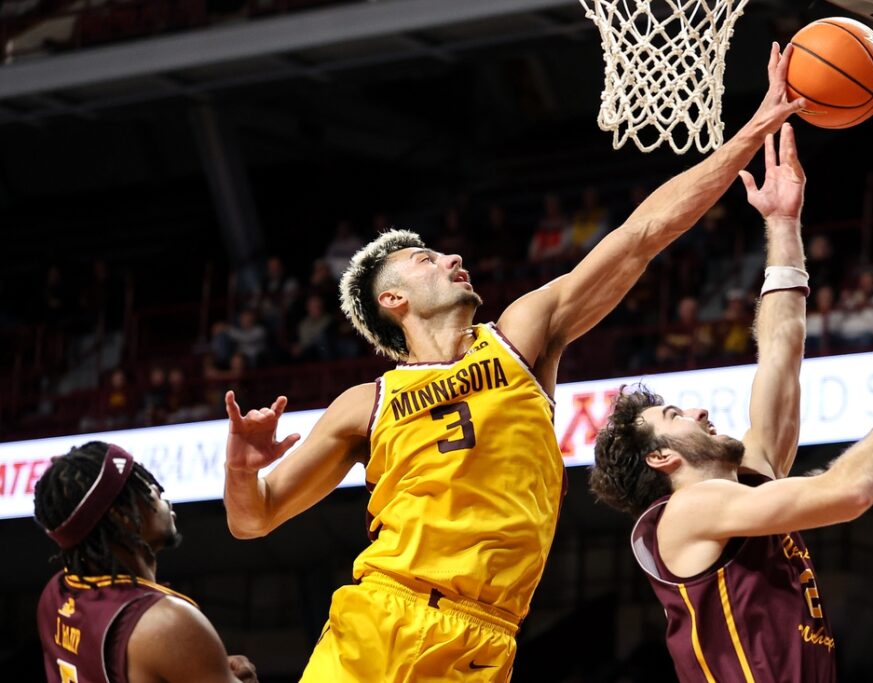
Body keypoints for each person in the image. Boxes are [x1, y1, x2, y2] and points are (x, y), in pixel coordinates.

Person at [222, 43, 806, 681]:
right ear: (393, 301)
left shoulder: (519, 338)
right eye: (426, 260)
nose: (450, 260)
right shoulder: (366, 404)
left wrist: (752, 132)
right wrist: (241, 466)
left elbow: (642, 236)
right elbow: (254, 520)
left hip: (487, 636)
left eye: (444, 254)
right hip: (384, 615)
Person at [589, 125, 873, 681]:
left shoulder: (749, 481)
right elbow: (848, 492)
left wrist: (783, 224)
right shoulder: (686, 511)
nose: (697, 411)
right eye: (674, 416)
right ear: (660, 459)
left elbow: (780, 354)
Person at [34, 441, 258, 683]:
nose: (161, 493)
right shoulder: (168, 624)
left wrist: (199, 663)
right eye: (147, 487)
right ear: (122, 517)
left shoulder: (55, 596)